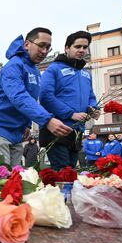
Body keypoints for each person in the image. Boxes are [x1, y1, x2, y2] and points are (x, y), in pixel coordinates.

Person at [0, 28, 72, 166]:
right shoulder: (13, 65)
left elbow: (31, 97)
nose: (44, 51)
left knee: (16, 179)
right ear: (26, 44)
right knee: (0, 179)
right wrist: (47, 120)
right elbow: (18, 96)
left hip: (17, 132)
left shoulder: (35, 70)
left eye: (48, 47)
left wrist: (27, 125)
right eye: (41, 45)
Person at [38, 30, 100, 170]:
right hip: (57, 129)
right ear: (67, 48)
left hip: (77, 131)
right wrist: (70, 114)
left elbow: (91, 96)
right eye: (77, 47)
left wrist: (95, 108)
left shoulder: (86, 73)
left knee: (71, 172)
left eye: (85, 47)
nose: (82, 50)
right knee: (62, 172)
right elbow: (45, 97)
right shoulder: (54, 69)